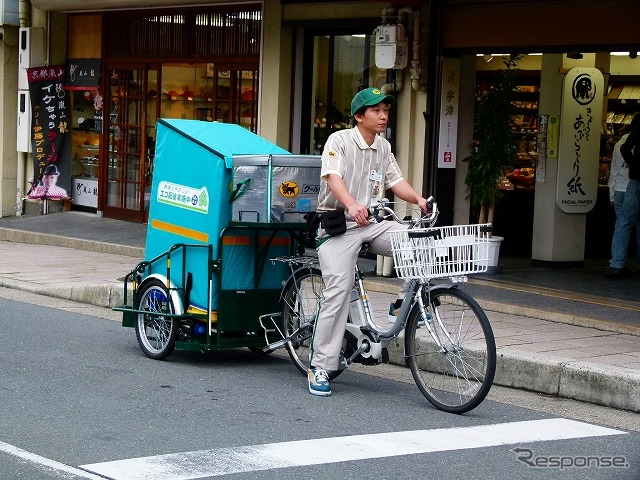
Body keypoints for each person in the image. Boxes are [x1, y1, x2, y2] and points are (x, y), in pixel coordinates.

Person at [308, 87, 429, 396]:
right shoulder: (339, 141)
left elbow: (395, 181)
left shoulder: (384, 147)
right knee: (337, 291)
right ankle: (321, 366)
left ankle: (401, 302)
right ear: (359, 116)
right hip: (338, 226)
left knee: (413, 240)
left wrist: (417, 198)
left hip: (372, 224)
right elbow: (333, 178)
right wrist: (351, 204)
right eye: (376, 110)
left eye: (385, 109)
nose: (383, 114)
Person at [604, 113, 640, 278]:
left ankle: (617, 263)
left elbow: (614, 169)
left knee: (623, 223)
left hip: (628, 183)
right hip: (631, 184)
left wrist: (634, 164)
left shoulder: (620, 142)